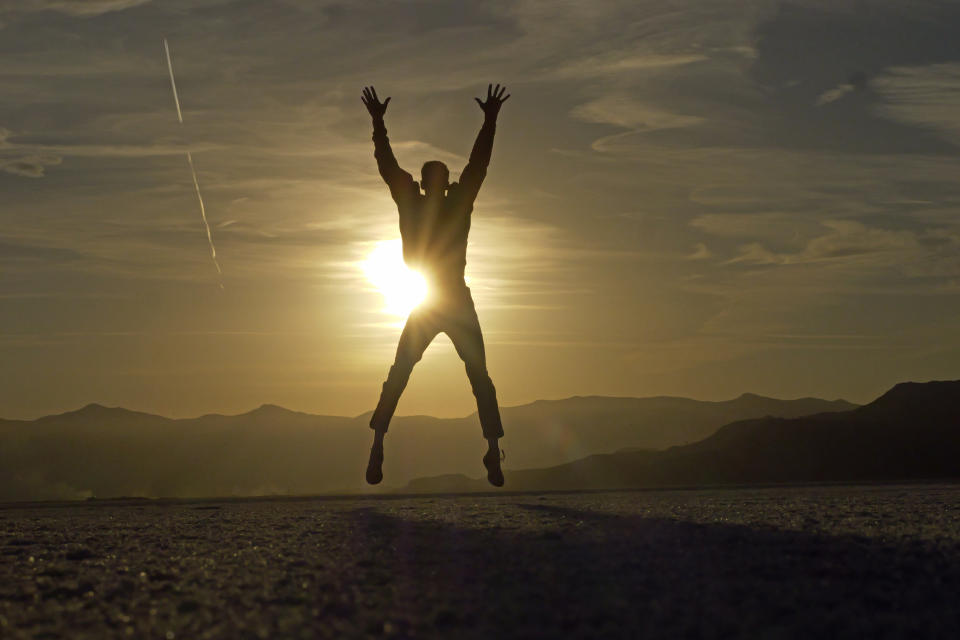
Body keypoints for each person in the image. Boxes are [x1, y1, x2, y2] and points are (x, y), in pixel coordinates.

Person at [361, 84, 510, 487]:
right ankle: (491, 451)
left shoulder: (416, 200)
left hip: (433, 300)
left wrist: (379, 124)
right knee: (475, 375)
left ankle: (380, 444)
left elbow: (390, 167)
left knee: (406, 371)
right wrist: (490, 121)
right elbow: (475, 167)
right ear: (438, 184)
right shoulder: (452, 201)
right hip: (446, 299)